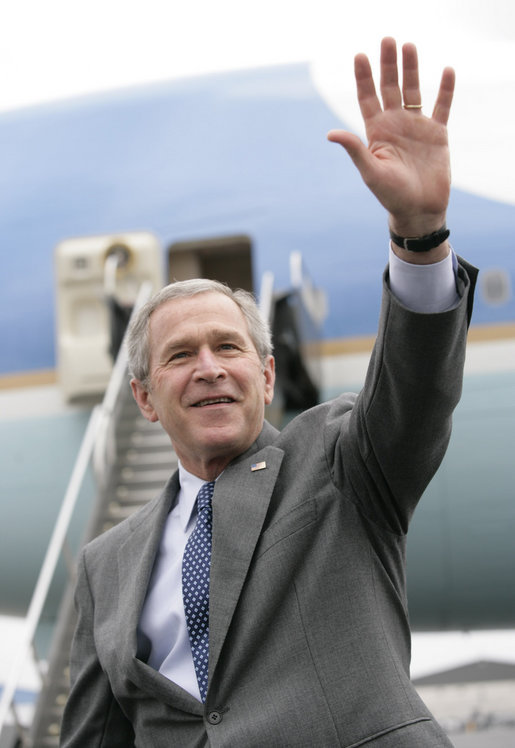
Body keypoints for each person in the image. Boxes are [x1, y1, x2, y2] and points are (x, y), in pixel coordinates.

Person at [60, 37, 477, 747]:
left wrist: (418, 234)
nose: (210, 367)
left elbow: (414, 392)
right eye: (181, 355)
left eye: (228, 347)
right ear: (143, 398)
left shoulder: (341, 463)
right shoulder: (108, 565)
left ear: (267, 375)